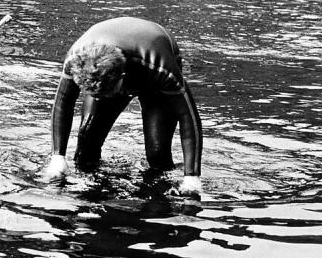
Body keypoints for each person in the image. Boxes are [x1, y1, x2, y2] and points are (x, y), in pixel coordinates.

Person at [43, 17, 203, 194]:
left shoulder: (160, 66)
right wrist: (57, 157)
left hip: (151, 68)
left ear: (122, 78)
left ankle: (157, 202)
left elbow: (188, 116)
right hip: (110, 65)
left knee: (158, 156)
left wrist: (192, 177)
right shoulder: (75, 59)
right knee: (85, 148)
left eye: (108, 94)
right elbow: (63, 102)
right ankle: (92, 198)